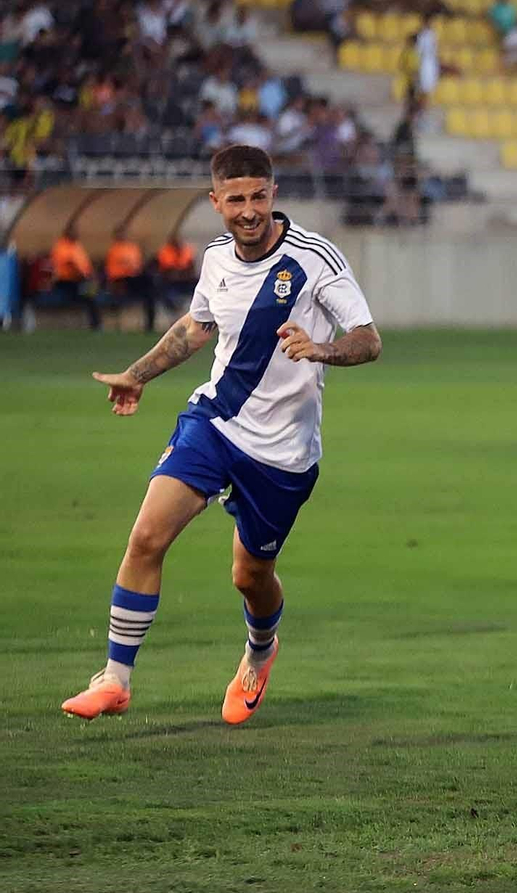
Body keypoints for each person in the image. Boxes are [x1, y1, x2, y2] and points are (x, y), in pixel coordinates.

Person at [61, 145, 381, 726]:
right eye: (236, 200)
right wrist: (137, 375)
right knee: (147, 536)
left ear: (273, 194)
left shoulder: (314, 258)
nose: (249, 210)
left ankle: (259, 653)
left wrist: (322, 349)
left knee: (250, 576)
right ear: (215, 202)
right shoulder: (214, 257)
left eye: (258, 196)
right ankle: (115, 678)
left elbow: (368, 338)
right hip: (215, 422)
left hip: (283, 453)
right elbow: (197, 326)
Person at [104, 224, 156, 332]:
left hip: (135, 279)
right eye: (120, 233)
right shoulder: (113, 250)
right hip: (122, 280)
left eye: (123, 233)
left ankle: (150, 324)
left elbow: (139, 265)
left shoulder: (133, 248)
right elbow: (112, 272)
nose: (122, 235)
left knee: (150, 286)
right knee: (147, 281)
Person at [49, 222, 100, 330]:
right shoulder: (61, 246)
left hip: (80, 280)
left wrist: (91, 274)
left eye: (76, 231)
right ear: (67, 232)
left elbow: (85, 265)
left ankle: (96, 323)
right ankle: (95, 324)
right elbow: (69, 264)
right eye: (73, 231)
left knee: (93, 293)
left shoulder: (77, 246)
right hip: (66, 281)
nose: (76, 233)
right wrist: (84, 275)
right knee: (89, 295)